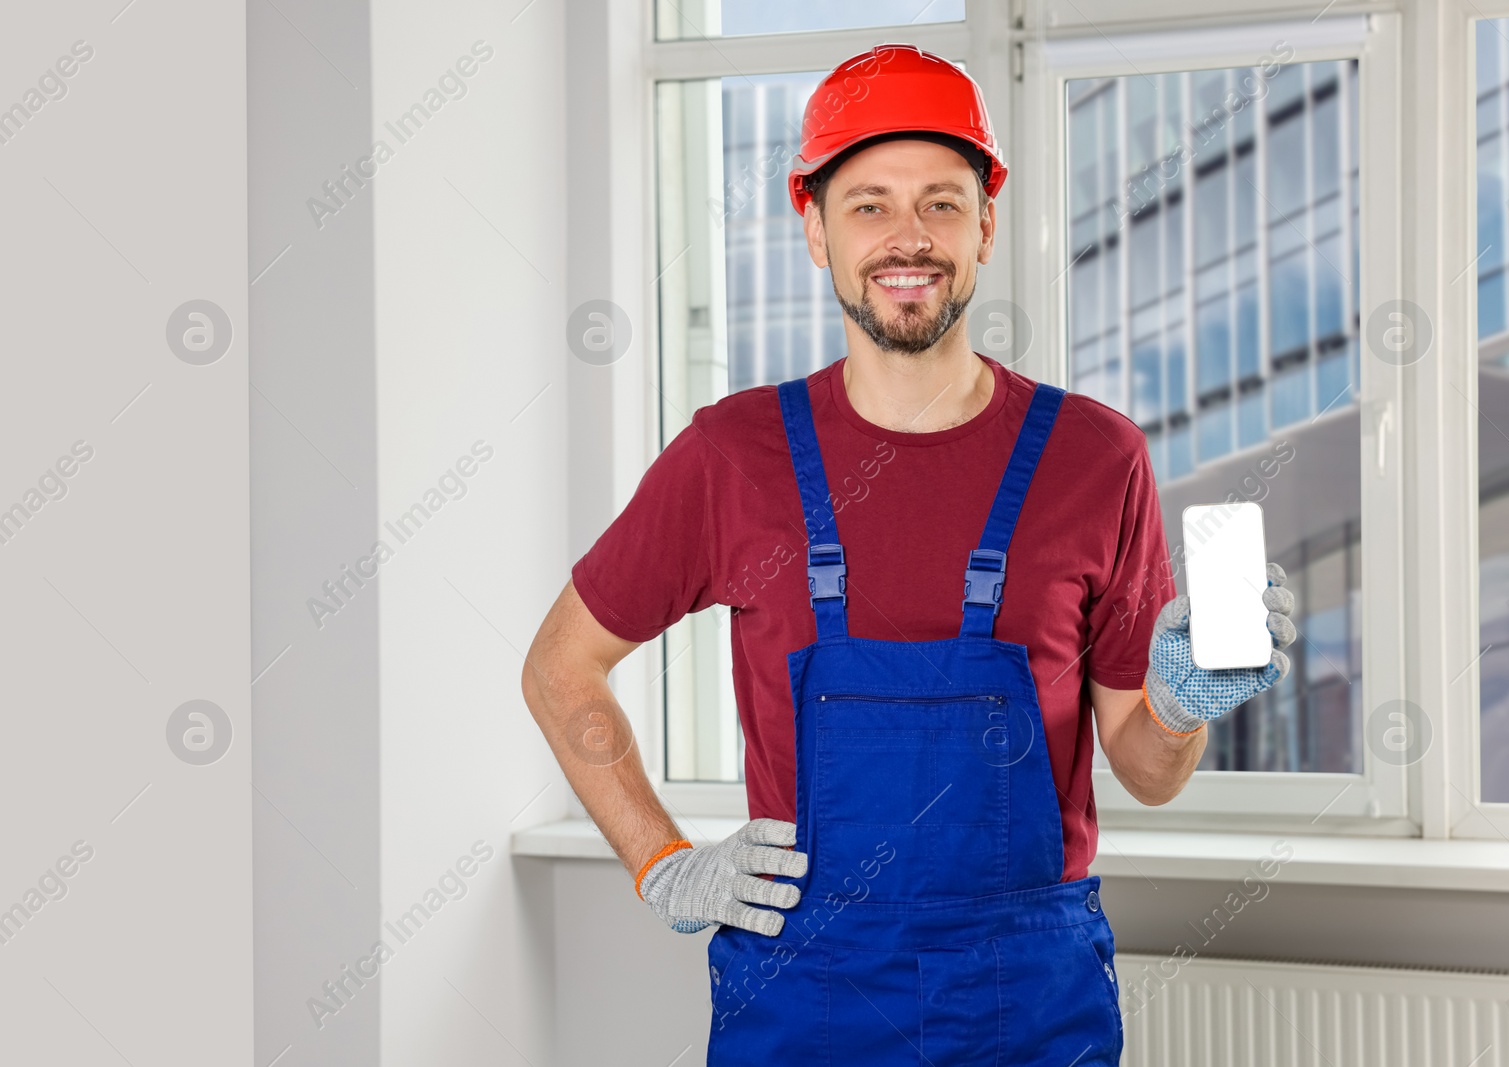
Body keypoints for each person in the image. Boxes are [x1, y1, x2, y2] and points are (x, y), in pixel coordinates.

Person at [521, 42, 1298, 1066]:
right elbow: (559, 664)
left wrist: (1183, 701)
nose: (908, 237)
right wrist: (662, 860)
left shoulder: (1093, 456)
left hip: (1029, 997)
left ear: (984, 224)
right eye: (869, 203)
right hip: (806, 994)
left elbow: (1145, 770)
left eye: (940, 202)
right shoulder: (732, 455)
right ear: (813, 229)